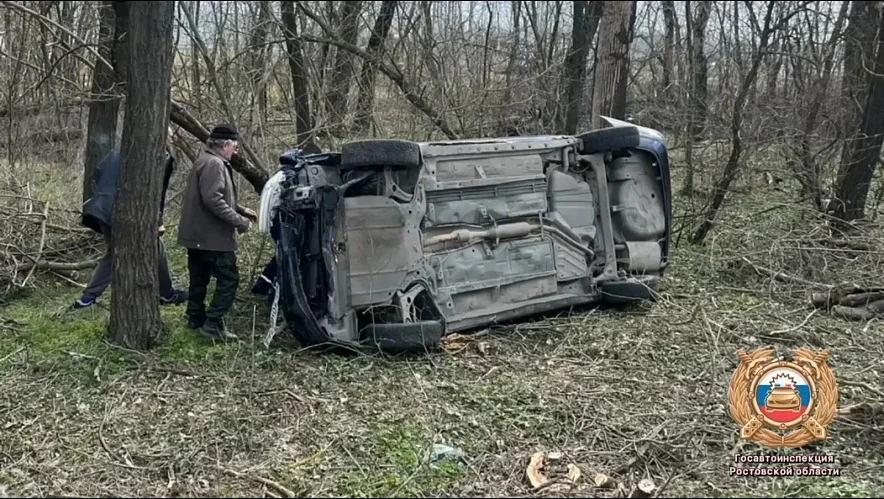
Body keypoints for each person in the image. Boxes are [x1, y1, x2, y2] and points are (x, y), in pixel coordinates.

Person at [76, 129, 188, 308]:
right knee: (135, 251)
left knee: (118, 253)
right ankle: (166, 294)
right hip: (121, 213)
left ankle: (88, 298)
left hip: (102, 209)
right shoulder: (155, 156)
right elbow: (157, 190)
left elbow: (98, 170)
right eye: (171, 137)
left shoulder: (123, 149)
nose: (173, 141)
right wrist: (156, 221)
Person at [177, 124, 257, 341]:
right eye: (234, 147)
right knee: (229, 279)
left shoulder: (204, 160)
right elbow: (213, 200)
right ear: (224, 145)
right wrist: (240, 222)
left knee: (199, 277)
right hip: (211, 237)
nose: (236, 152)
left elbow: (214, 195)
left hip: (197, 236)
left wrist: (241, 209)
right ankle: (213, 324)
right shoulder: (215, 164)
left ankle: (195, 317)